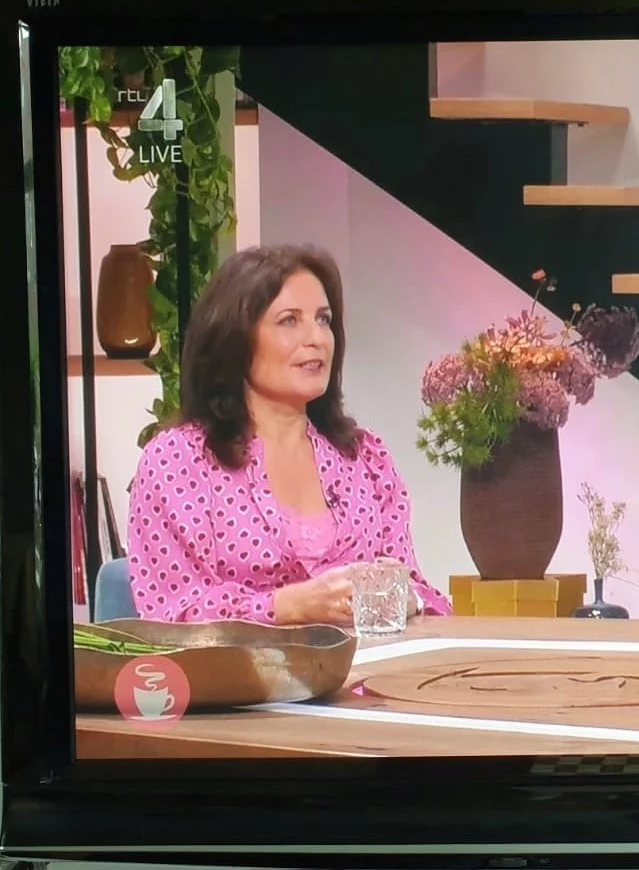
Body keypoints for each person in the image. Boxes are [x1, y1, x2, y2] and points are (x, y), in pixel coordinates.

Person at [125, 244, 453, 625]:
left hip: (367, 663)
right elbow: (173, 613)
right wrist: (287, 607)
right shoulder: (178, 461)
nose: (317, 338)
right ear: (234, 338)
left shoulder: (366, 459)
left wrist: (405, 600)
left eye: (324, 320)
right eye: (289, 321)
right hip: (239, 666)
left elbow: (418, 590)